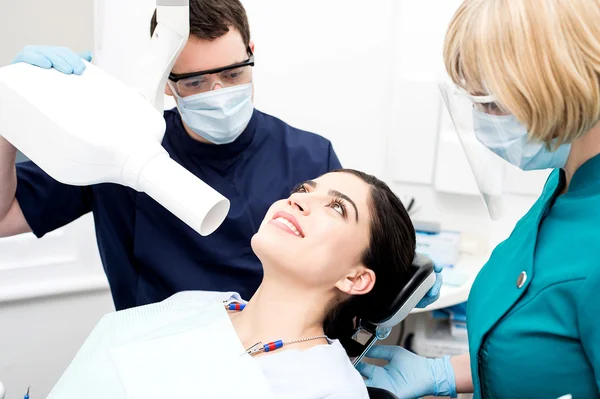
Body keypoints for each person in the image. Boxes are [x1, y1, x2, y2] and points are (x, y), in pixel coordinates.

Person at [0, 0, 343, 311]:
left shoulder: (311, 158)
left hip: (274, 360)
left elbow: (341, 271)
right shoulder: (117, 146)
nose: (218, 94)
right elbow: (4, 217)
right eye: (195, 82)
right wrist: (9, 115)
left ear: (251, 54)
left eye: (233, 73)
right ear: (166, 81)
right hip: (156, 361)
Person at [358, 0, 600, 398]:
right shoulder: (565, 180)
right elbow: (551, 347)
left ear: (559, 84)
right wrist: (447, 372)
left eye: (490, 103)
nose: (481, 119)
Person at [48, 169, 417, 399]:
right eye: (305, 189)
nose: (297, 201)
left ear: (355, 277)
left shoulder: (328, 389)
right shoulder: (197, 304)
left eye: (336, 208)